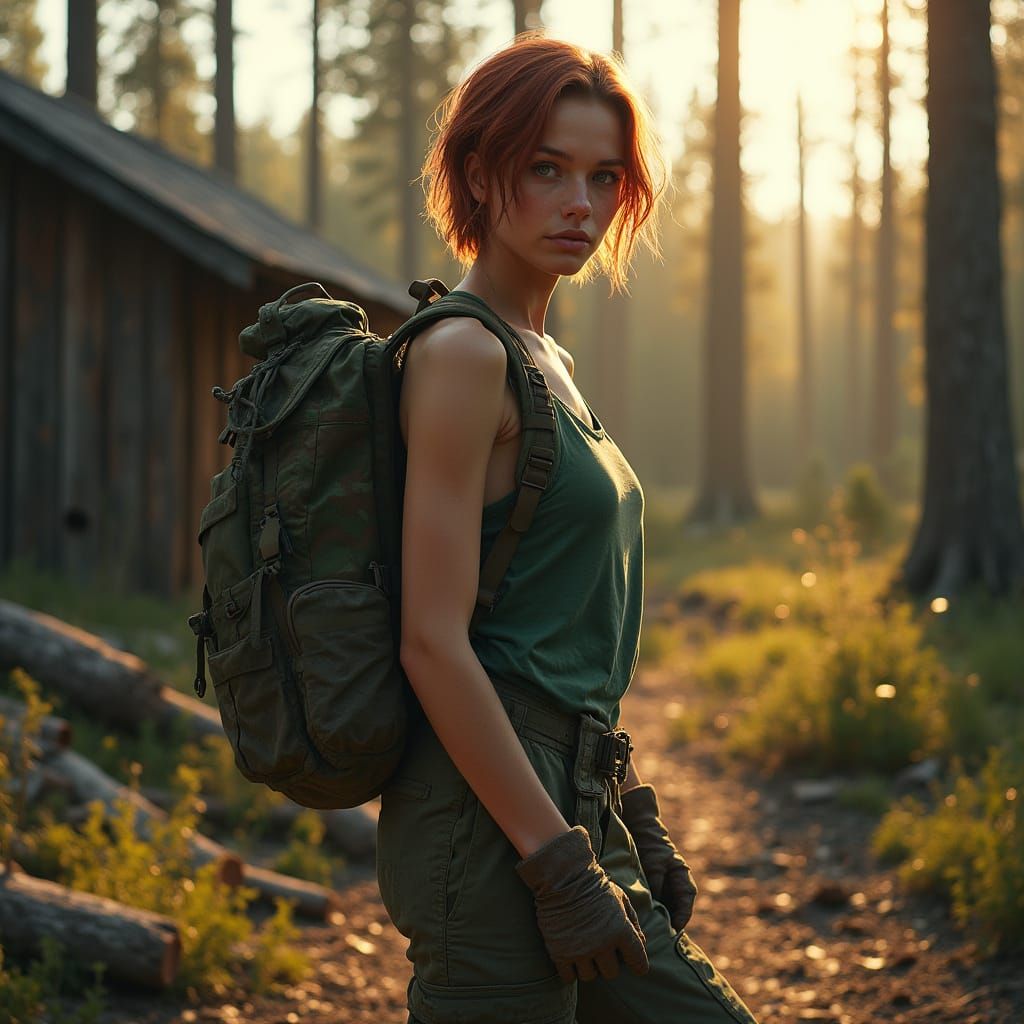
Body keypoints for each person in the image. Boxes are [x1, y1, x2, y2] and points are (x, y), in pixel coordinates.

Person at [377, 32, 760, 1024]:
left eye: (601, 174)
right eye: (544, 168)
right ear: (475, 171)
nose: (578, 204)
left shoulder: (545, 356)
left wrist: (628, 816)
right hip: (485, 820)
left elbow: (554, 629)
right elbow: (433, 640)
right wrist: (558, 868)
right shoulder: (464, 353)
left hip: (571, 801)